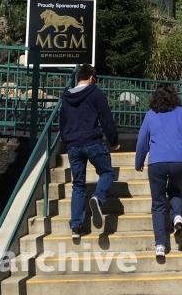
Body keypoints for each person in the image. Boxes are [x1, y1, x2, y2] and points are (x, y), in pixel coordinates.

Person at [134, 84, 182, 261]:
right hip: (180, 162)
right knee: (174, 189)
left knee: (158, 204)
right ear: (175, 97)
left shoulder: (151, 115)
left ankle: (160, 245)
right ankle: (177, 217)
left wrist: (139, 161)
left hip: (157, 162)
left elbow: (142, 141)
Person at [59, 64, 120, 242]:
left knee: (78, 185)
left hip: (73, 145)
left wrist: (66, 143)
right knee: (107, 172)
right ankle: (98, 198)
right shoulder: (95, 93)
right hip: (92, 141)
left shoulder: (66, 97)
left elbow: (63, 122)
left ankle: (76, 226)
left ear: (78, 77)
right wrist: (114, 141)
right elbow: (106, 118)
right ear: (92, 77)